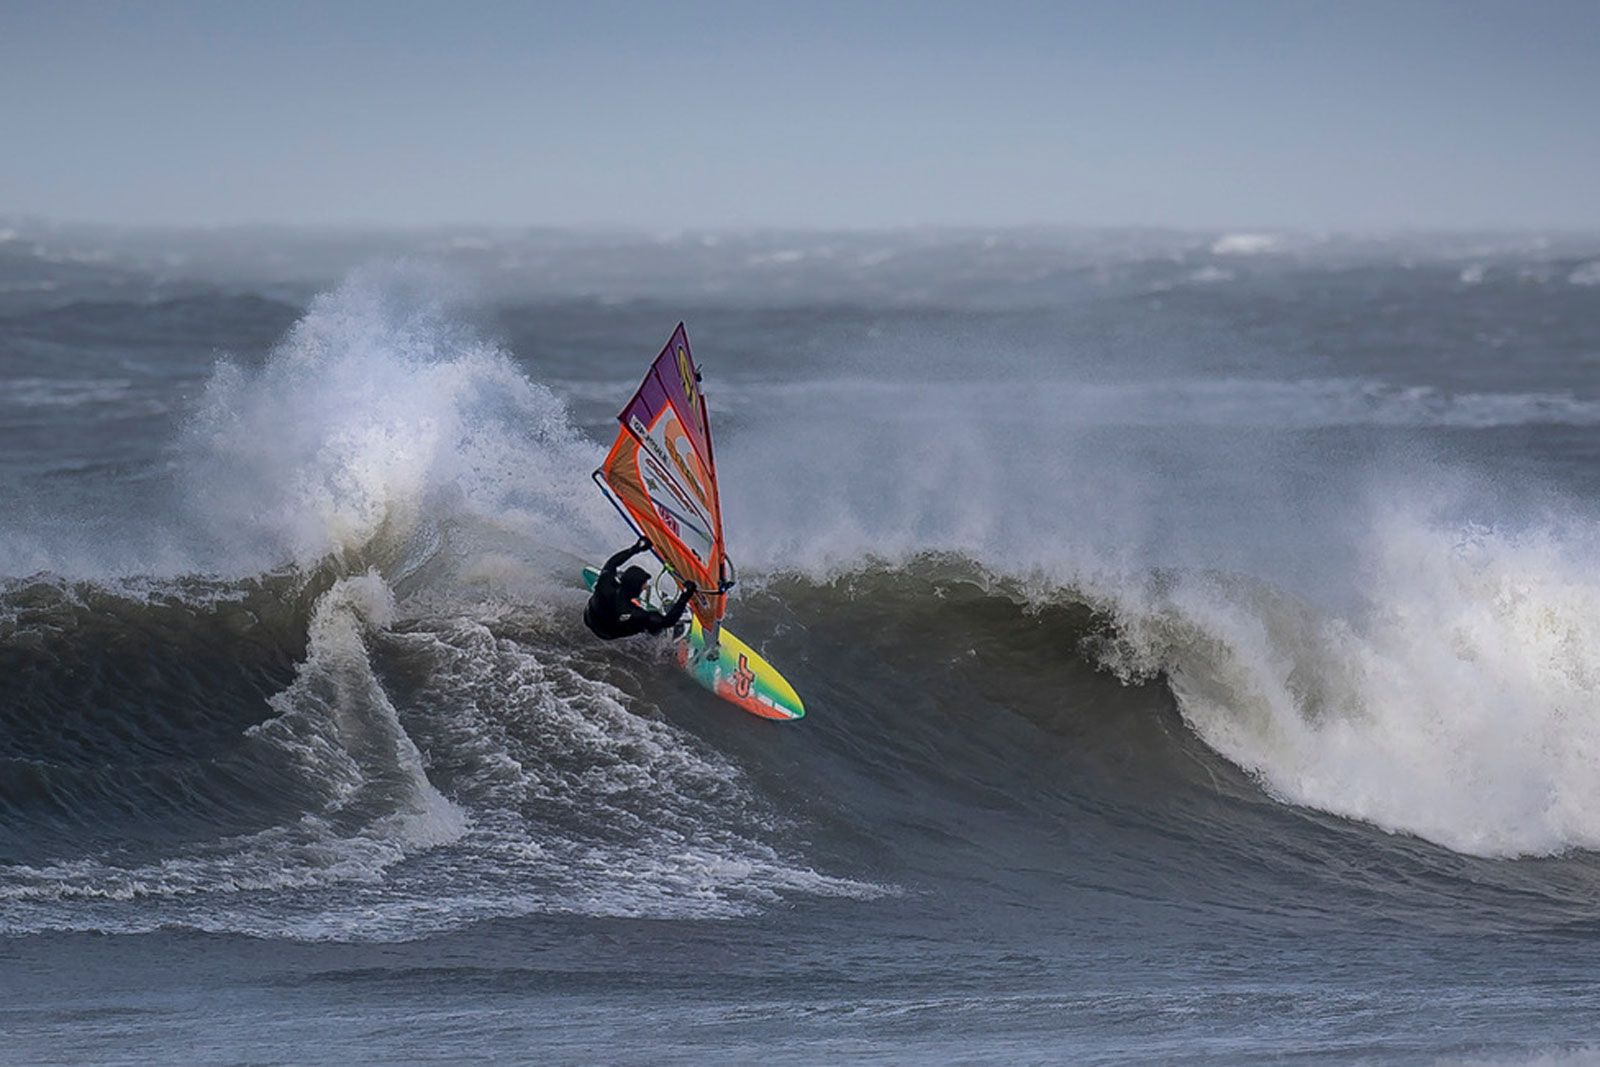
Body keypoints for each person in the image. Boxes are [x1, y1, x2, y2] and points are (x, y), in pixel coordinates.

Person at [584, 536, 696, 640]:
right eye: (643, 585)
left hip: (589, 617)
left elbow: (612, 563)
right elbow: (667, 622)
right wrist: (685, 596)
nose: (646, 587)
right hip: (607, 634)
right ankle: (654, 632)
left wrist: (635, 548)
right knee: (654, 624)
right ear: (634, 588)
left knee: (610, 574)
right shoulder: (637, 614)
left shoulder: (605, 583)